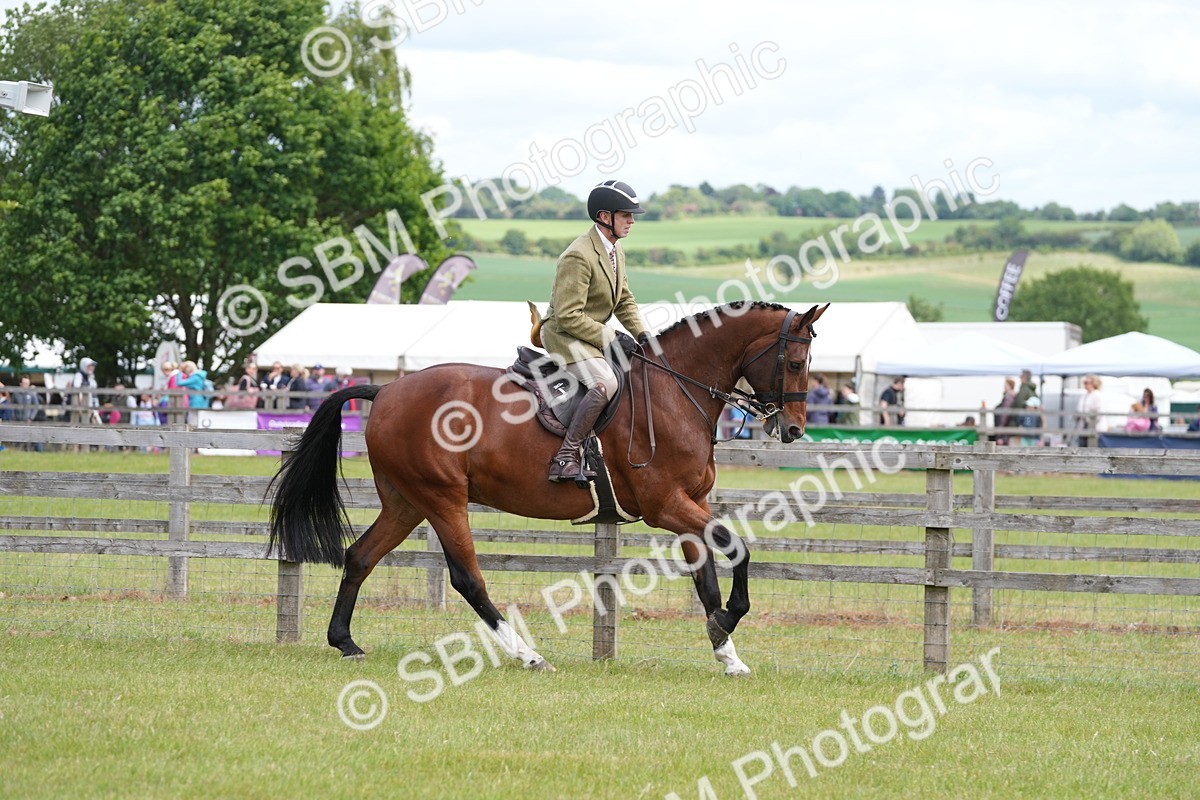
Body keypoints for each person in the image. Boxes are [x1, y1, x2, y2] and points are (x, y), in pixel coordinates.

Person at [538, 179, 651, 482]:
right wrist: (612, 337)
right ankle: (565, 457)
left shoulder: (615, 251)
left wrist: (643, 335)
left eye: (632, 215)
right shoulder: (578, 255)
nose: (631, 221)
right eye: (626, 215)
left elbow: (624, 300)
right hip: (565, 335)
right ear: (605, 217)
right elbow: (567, 315)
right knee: (607, 382)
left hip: (588, 334)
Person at [1075, 374, 1105, 445]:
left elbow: (1099, 412)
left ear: (1093, 383)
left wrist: (1090, 421)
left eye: (1086, 382)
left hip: (1093, 427)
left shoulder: (1097, 395)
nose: (1084, 384)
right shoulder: (1084, 395)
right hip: (1083, 426)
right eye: (1084, 382)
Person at [71, 357, 101, 423]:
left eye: (92, 366)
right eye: (89, 366)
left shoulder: (90, 377)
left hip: (91, 406)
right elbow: (77, 391)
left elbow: (94, 391)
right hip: (82, 406)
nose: (91, 368)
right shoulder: (79, 375)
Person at [992, 376, 1018, 445]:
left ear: (1010, 386)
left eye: (1005, 385)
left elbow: (1004, 416)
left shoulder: (1008, 397)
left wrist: (1000, 435)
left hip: (1004, 431)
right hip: (1006, 430)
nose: (1004, 387)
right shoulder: (1010, 396)